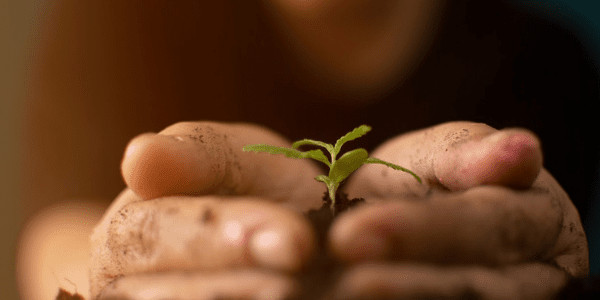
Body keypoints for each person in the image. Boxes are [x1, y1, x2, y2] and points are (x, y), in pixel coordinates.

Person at [17, 0, 598, 299]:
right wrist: (111, 270)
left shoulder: (544, 63)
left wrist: (554, 266)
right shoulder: (119, 19)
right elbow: (57, 227)